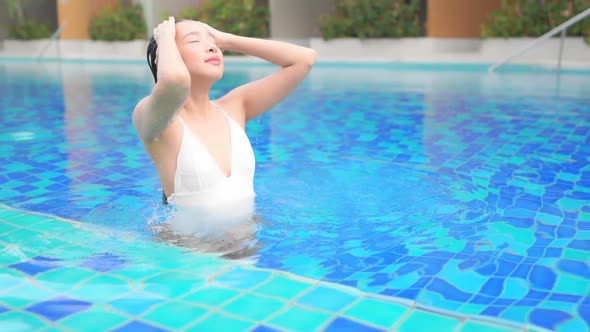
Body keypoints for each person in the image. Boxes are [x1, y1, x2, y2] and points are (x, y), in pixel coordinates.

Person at [132, 17, 316, 245]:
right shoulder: (156, 122)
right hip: (189, 262)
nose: (211, 47)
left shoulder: (235, 106)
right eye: (193, 41)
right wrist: (164, 38)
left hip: (245, 257)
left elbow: (304, 60)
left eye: (212, 42)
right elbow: (175, 81)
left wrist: (226, 39)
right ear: (170, 55)